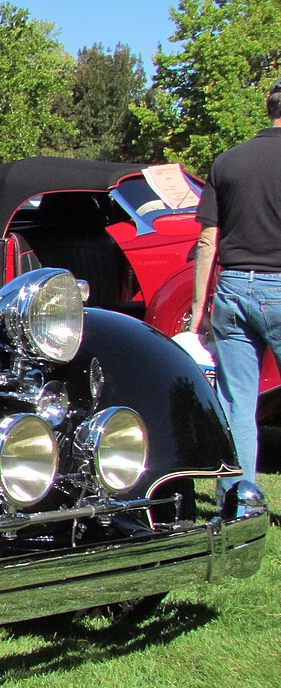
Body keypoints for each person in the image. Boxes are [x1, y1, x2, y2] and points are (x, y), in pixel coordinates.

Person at [189, 78, 281, 500]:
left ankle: (237, 497)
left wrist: (198, 306)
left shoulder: (227, 162)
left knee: (235, 400)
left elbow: (207, 239)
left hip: (231, 287)